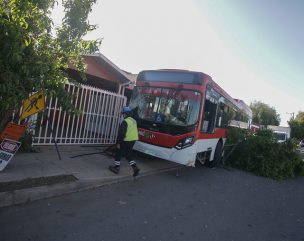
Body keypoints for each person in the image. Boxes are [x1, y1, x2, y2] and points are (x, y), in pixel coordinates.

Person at [109, 106, 140, 177]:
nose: (122, 115)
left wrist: (118, 143)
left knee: (118, 153)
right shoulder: (134, 120)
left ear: (125, 114)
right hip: (133, 140)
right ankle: (135, 167)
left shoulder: (125, 121)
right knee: (128, 154)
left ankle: (116, 168)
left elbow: (121, 134)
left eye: (123, 114)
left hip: (126, 140)